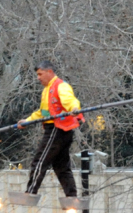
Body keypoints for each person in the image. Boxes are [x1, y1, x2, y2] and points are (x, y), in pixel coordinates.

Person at [18, 60, 84, 198]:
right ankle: (71, 197)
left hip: (56, 128)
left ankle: (30, 193)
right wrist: (27, 121)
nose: (38, 77)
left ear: (49, 72)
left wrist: (74, 109)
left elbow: (70, 100)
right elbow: (43, 112)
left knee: (40, 160)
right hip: (60, 130)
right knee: (61, 166)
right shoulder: (47, 90)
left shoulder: (60, 86)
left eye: (40, 74)